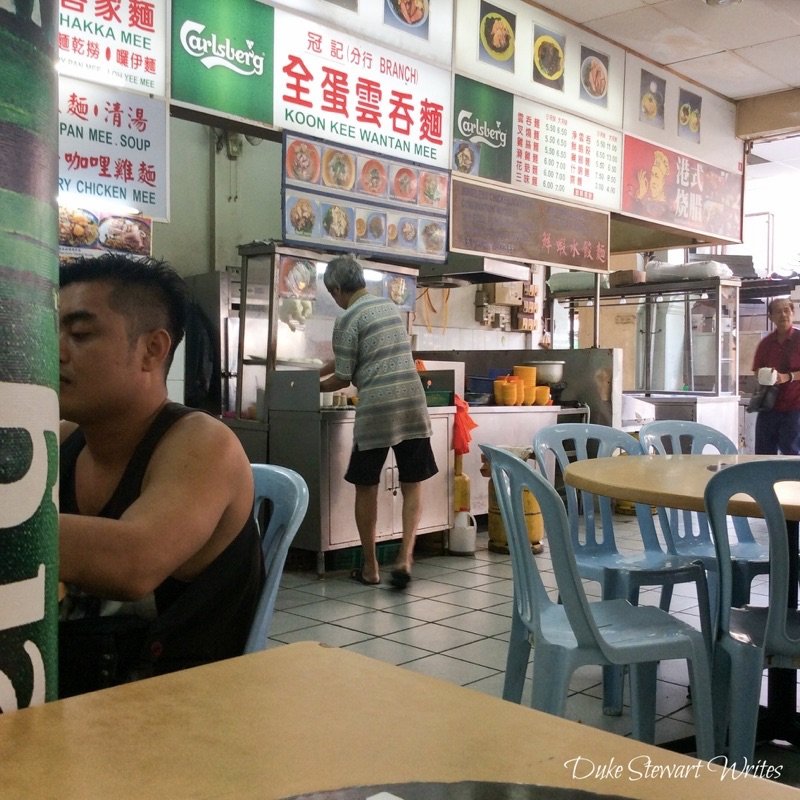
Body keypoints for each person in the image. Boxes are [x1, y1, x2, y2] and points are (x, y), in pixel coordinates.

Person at [58, 254, 264, 697]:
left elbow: (133, 564)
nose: (54, 351)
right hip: (77, 703)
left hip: (178, 718)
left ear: (153, 349)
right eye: (49, 331)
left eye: (78, 334)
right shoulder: (63, 441)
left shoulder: (203, 444)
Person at [319, 255, 438, 588]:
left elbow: (343, 376)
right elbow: (356, 356)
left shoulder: (346, 320)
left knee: (366, 486)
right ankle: (405, 558)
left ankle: (370, 567)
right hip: (412, 402)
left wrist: (309, 385)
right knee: (413, 483)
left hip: (377, 410)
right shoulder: (388, 308)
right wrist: (317, 370)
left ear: (337, 289)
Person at [751, 297, 800, 455]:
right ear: (770, 317)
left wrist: (788, 376)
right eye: (778, 311)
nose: (783, 314)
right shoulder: (766, 343)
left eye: (787, 310)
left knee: (792, 452)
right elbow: (757, 370)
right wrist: (766, 375)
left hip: (795, 408)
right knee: (763, 454)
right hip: (769, 408)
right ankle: (765, 480)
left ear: (793, 313)